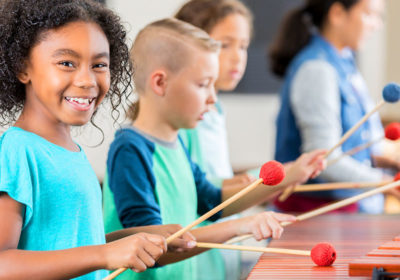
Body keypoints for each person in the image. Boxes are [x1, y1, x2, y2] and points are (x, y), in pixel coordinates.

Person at [104, 17, 325, 280]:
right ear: (160, 83)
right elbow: (152, 247)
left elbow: (212, 201)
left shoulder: (178, 144)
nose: (212, 97)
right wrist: (238, 226)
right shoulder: (130, 150)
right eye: (202, 84)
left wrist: (287, 177)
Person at [0, 1, 196, 279]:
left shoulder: (70, 151)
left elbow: (72, 245)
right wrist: (104, 255)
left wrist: (140, 237)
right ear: (23, 68)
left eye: (99, 64)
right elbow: (3, 263)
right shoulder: (18, 150)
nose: (87, 80)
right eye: (67, 63)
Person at [270, 0, 393, 213]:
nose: (377, 25)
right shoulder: (317, 69)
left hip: (340, 212)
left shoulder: (343, 61)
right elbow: (325, 160)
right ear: (337, 13)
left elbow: (359, 143)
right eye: (369, 14)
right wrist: (385, 182)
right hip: (313, 215)